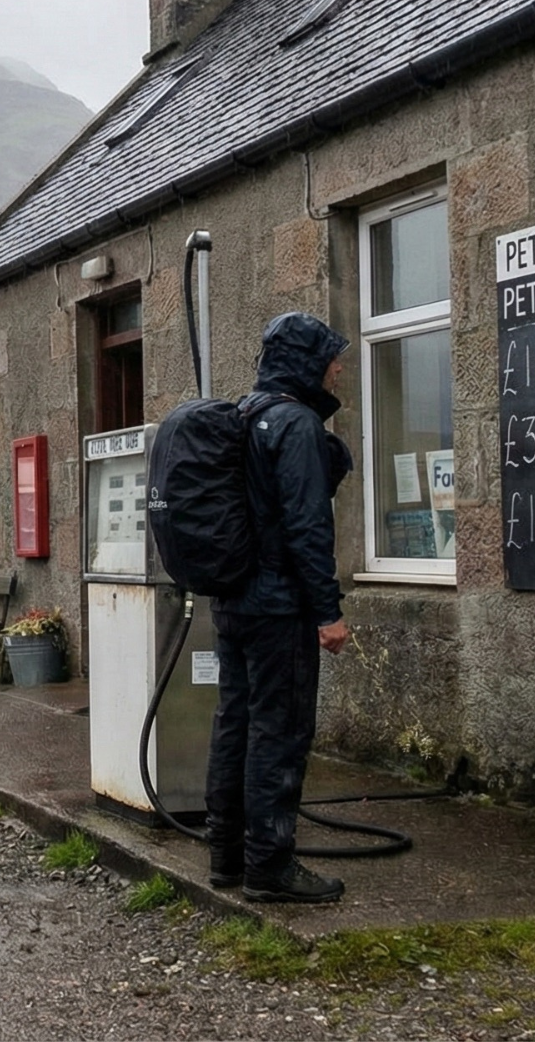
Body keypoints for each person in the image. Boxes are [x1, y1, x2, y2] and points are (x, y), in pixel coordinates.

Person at [205, 311, 354, 905]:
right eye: (331, 360)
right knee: (280, 731)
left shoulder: (243, 416)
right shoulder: (292, 424)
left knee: (234, 722)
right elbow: (308, 528)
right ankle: (270, 868)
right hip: (278, 607)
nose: (338, 369)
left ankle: (227, 858)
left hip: (234, 600)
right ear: (307, 365)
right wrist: (328, 612)